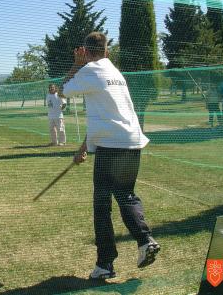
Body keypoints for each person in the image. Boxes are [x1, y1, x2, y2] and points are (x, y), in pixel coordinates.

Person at [62, 32, 159, 280]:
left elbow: (64, 90)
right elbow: (106, 113)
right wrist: (85, 145)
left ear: (85, 50)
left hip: (111, 147)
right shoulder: (116, 73)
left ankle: (105, 264)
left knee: (102, 205)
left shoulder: (89, 70)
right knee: (126, 194)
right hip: (131, 141)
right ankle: (145, 240)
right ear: (107, 51)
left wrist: (77, 63)